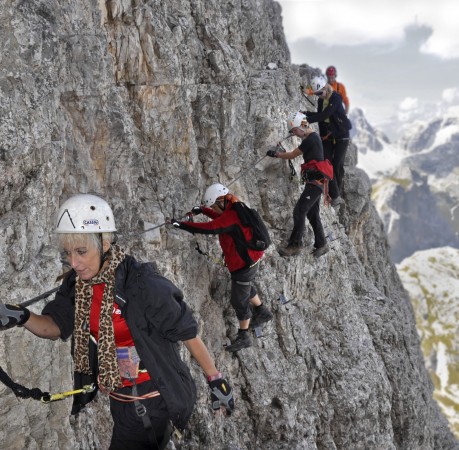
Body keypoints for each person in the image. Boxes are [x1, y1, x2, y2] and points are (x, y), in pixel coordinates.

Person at [0, 194, 234, 450]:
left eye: (81, 251)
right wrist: (21, 316)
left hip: (152, 402)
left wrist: (215, 379)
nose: (74, 263)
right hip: (121, 399)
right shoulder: (77, 286)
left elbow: (187, 332)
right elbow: (54, 325)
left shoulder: (142, 284)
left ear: (105, 242)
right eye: (68, 253)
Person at [170, 184, 273, 353]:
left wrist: (182, 225)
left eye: (213, 206)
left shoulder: (231, 216)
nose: (213, 209)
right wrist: (203, 210)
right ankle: (262, 310)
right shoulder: (235, 206)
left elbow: (212, 227)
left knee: (238, 300)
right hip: (251, 261)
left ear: (221, 201)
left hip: (243, 265)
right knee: (244, 287)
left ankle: (243, 335)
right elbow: (220, 218)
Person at [266, 112, 329, 258]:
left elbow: (293, 154)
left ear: (303, 125)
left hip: (315, 183)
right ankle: (322, 244)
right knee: (313, 214)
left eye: (295, 130)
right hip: (316, 182)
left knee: (299, 211)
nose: (294, 133)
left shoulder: (310, 140)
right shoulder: (311, 137)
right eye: (293, 131)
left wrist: (276, 154)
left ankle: (295, 245)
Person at [304, 75, 352, 207]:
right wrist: (306, 114)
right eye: (317, 94)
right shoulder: (321, 101)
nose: (319, 95)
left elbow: (325, 115)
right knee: (327, 163)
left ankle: (336, 194)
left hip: (341, 135)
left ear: (325, 87)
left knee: (337, 166)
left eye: (320, 92)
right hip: (328, 137)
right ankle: (335, 195)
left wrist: (307, 120)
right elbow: (319, 115)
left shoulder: (335, 98)